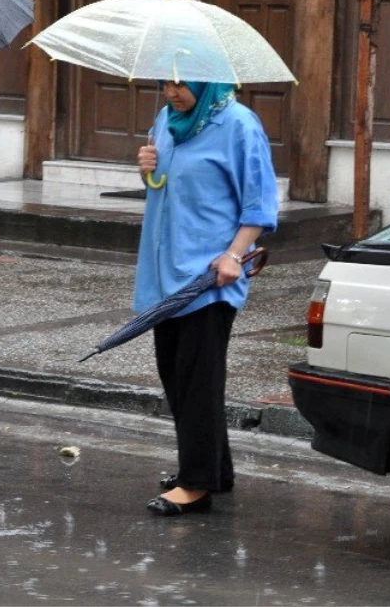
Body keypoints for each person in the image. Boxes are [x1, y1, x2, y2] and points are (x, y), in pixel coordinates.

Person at [135, 79, 277, 517]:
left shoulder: (238, 124)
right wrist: (147, 170)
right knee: (175, 372)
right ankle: (215, 467)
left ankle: (196, 484)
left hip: (211, 274)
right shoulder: (167, 121)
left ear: (205, 79)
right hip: (166, 272)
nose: (172, 92)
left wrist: (234, 255)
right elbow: (163, 187)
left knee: (197, 376)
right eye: (166, 83)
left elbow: (260, 201)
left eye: (181, 84)